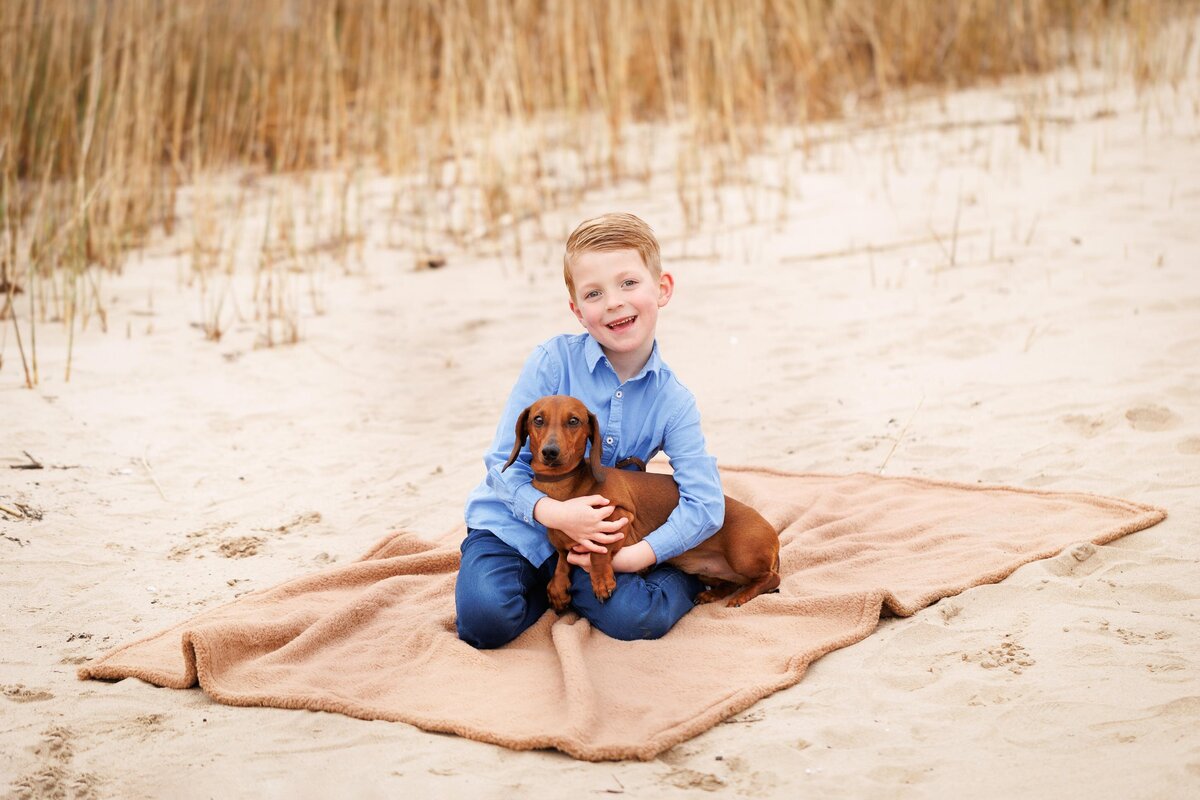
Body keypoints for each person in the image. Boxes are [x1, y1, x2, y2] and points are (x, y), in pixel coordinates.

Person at [456, 212, 725, 648]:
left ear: (662, 288)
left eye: (628, 284)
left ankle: (685, 579)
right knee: (485, 621)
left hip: (596, 549)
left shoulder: (673, 401)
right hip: (515, 526)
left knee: (641, 617)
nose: (614, 303)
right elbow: (501, 463)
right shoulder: (551, 362)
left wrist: (639, 556)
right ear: (577, 310)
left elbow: (706, 503)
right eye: (594, 293)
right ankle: (545, 590)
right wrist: (553, 513)